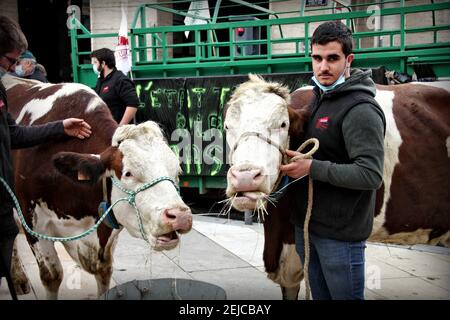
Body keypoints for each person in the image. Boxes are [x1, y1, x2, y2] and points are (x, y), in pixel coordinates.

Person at [280, 21, 386, 300]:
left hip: (340, 238)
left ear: (348, 60)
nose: (323, 67)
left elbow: (370, 175)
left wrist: (311, 168)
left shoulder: (361, 109)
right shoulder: (320, 97)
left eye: (332, 58)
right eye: (317, 58)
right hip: (308, 229)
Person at [0, 15, 92, 299]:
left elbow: (15, 136)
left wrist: (59, 127)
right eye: (9, 59)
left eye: (16, 61)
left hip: (2, 207)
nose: (12, 67)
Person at [91, 48, 139, 125]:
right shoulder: (101, 80)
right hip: (104, 130)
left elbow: (133, 104)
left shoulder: (121, 80)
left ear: (103, 63)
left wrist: (120, 128)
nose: (93, 65)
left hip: (118, 133)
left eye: (95, 62)